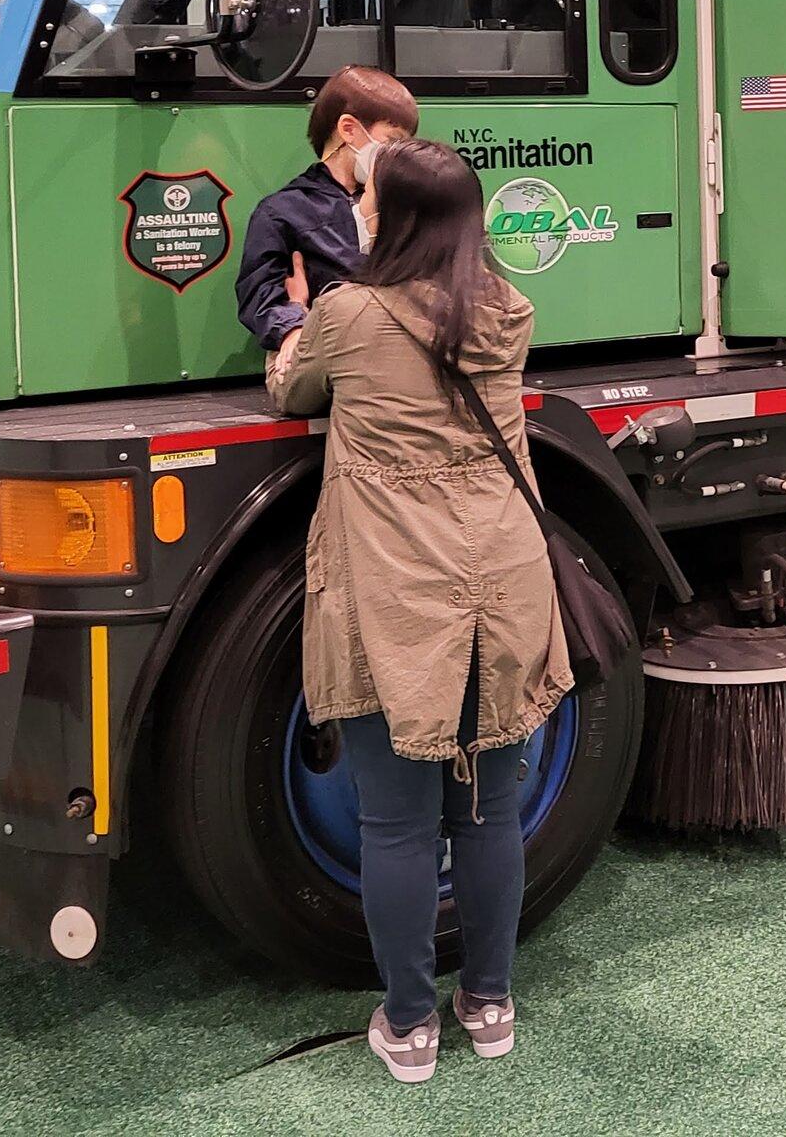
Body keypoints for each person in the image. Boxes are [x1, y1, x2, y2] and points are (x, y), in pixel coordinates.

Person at [267, 139, 570, 1084]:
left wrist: (298, 313)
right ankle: (490, 1005)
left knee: (396, 826)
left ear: (387, 219)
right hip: (503, 585)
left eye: (367, 198)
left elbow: (291, 387)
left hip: (397, 594)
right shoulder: (508, 309)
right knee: (489, 813)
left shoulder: (347, 314)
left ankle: (409, 1026)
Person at [234, 64, 419, 362]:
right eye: (393, 140)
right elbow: (260, 293)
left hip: (398, 349)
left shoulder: (404, 202)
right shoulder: (282, 212)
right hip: (330, 352)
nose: (400, 154)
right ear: (348, 129)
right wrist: (293, 330)